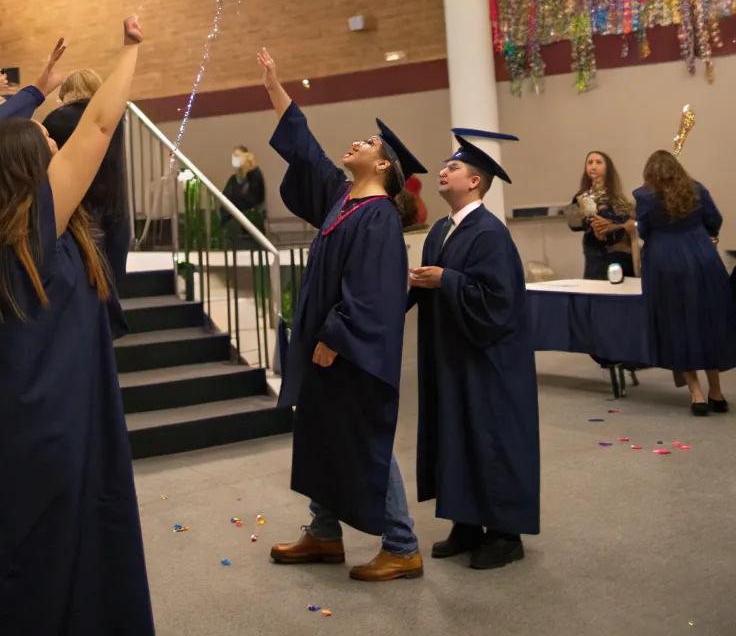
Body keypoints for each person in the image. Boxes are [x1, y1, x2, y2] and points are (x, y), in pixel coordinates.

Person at [0, 19, 154, 636]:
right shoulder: (34, 230)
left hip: (3, 437)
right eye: (48, 147)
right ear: (30, 172)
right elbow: (101, 125)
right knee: (56, 574)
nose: (61, 147)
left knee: (15, 569)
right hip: (51, 436)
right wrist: (129, 49)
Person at [259, 49, 424, 584]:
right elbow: (305, 150)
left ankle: (402, 544)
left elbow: (371, 292)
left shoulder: (376, 217)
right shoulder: (344, 200)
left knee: (362, 439)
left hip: (352, 353)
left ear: (383, 167)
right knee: (324, 435)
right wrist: (274, 88)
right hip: (328, 348)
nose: (356, 142)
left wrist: (334, 337)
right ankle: (325, 533)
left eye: (369, 144)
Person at [409, 130, 539, 570]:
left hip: (489, 360)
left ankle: (505, 534)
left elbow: (500, 302)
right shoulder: (441, 231)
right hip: (452, 356)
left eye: (454, 167)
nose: (442, 171)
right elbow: (433, 286)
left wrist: (446, 280)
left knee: (490, 438)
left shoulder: (489, 233)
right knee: (455, 434)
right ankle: (465, 521)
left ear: (475, 182)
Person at [634, 150, 736, 415]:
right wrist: (705, 236)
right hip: (702, 259)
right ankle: (716, 391)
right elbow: (715, 220)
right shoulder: (697, 189)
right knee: (709, 322)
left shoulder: (644, 195)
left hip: (665, 264)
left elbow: (643, 229)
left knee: (678, 325)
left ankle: (697, 394)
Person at [44, 67, 131, 290]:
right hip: (115, 210)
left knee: (82, 290)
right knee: (111, 288)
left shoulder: (56, 120)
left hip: (76, 216)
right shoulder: (115, 120)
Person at [567, 150, 635, 279]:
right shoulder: (580, 196)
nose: (593, 166)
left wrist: (615, 224)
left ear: (608, 168)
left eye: (598, 162)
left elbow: (628, 221)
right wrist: (586, 213)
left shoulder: (618, 198)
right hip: (596, 254)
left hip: (620, 255)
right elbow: (573, 224)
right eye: (590, 162)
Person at [223, 144, 267, 231]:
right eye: (233, 156)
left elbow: (255, 198)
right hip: (235, 227)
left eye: (238, 156)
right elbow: (225, 200)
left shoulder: (254, 176)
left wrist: (252, 167)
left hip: (251, 227)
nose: (235, 159)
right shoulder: (232, 180)